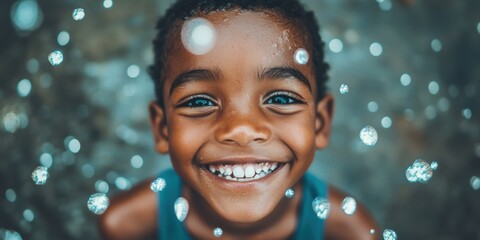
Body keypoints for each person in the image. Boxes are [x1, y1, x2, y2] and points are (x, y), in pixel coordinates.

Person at [99, 0, 377, 239]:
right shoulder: (128, 225)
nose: (241, 130)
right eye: (199, 102)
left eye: (281, 100)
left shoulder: (349, 230)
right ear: (162, 129)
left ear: (320, 122)